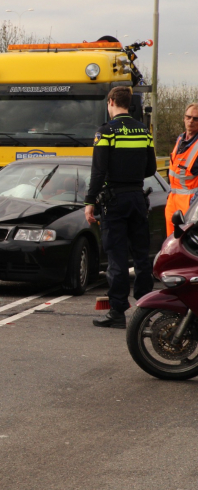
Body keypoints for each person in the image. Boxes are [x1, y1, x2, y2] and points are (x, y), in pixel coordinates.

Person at [85, 86, 157, 328]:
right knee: (141, 256)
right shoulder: (143, 131)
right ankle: (146, 310)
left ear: (112, 101)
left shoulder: (106, 132)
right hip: (138, 198)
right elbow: (150, 170)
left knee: (116, 257)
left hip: (114, 201)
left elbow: (98, 171)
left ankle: (117, 312)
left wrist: (89, 202)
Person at [164, 103, 198, 235]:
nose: (191, 121)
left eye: (196, 119)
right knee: (171, 245)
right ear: (184, 118)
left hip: (190, 206)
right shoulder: (180, 139)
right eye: (188, 117)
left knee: (186, 246)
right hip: (173, 200)